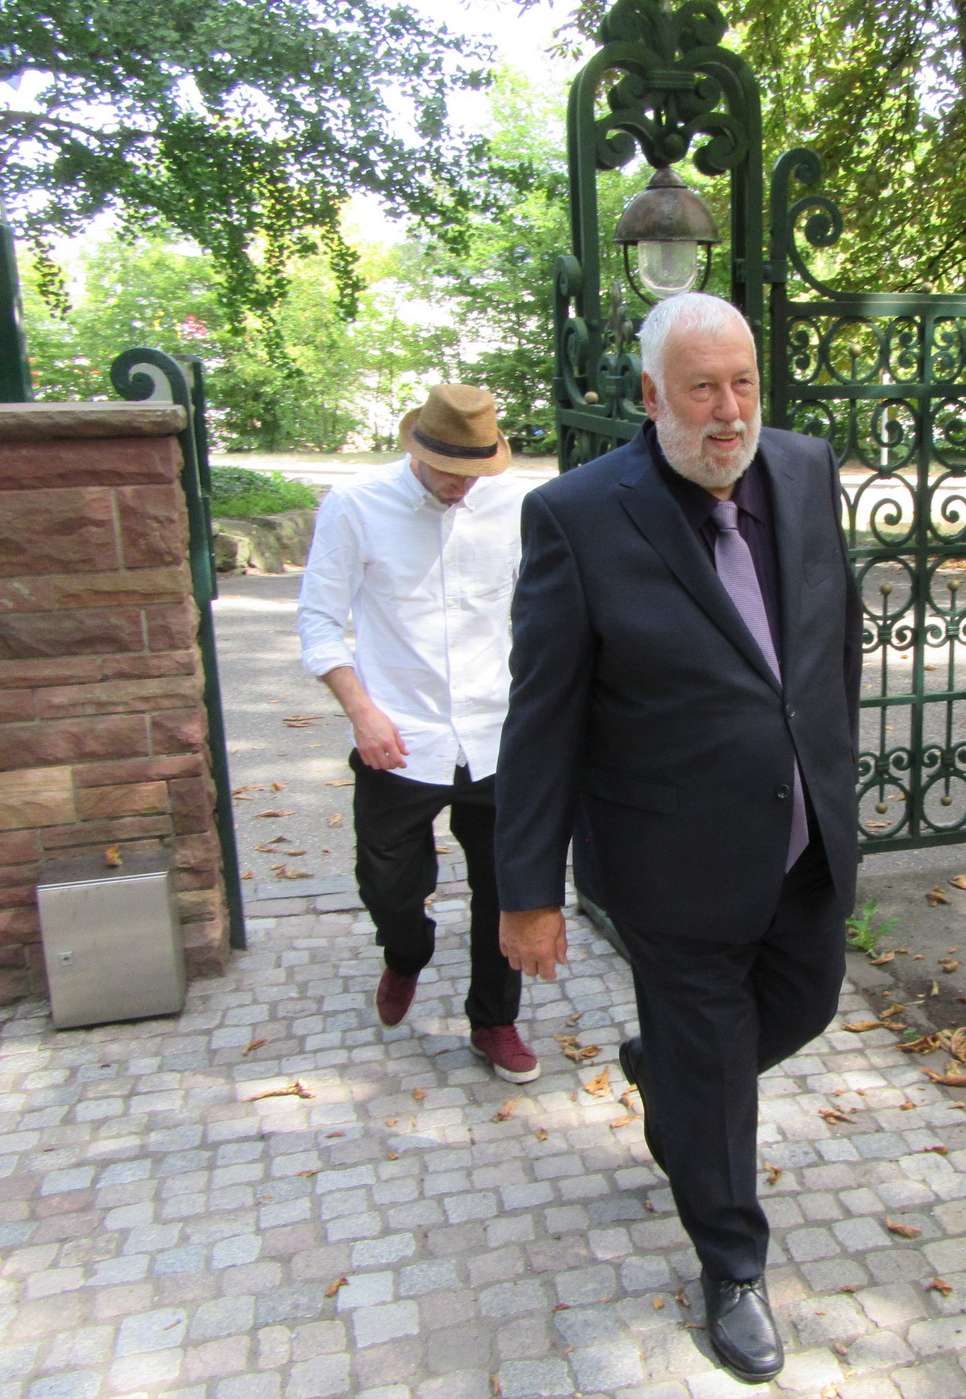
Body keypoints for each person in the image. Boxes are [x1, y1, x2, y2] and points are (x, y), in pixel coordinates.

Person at [493, 292, 860, 1383]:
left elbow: (831, 639)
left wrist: (832, 780)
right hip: (670, 861)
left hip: (801, 839)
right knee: (715, 1076)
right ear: (651, 396)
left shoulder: (805, 469)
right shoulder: (577, 517)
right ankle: (733, 1268)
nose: (729, 412)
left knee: (805, 1004)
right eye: (702, 390)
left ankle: (669, 1073)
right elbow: (543, 716)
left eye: (743, 383)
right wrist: (528, 891)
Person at [296, 384, 540, 1082]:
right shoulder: (355, 505)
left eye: (475, 472)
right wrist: (361, 710)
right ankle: (405, 952)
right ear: (417, 450)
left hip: (496, 734)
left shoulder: (516, 505)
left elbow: (545, 611)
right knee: (389, 886)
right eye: (449, 471)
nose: (462, 485)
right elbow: (319, 620)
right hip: (399, 738)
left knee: (506, 889)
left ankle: (493, 1020)